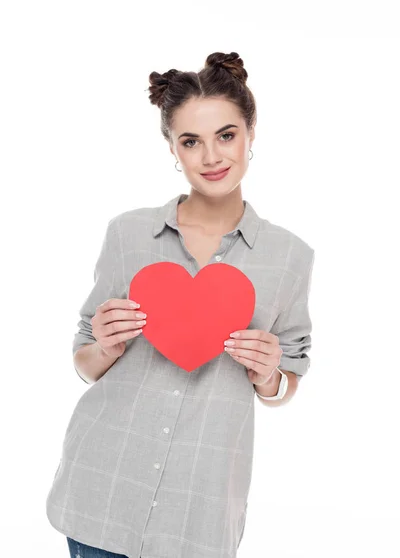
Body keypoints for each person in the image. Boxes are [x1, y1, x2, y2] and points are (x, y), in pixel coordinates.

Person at [45, 51, 315, 558]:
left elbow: (289, 375)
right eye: (191, 141)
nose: (211, 157)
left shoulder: (290, 257)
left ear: (251, 133)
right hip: (101, 490)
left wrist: (268, 374)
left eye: (226, 135)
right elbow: (85, 359)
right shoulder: (127, 233)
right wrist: (102, 345)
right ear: (172, 147)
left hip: (199, 511)